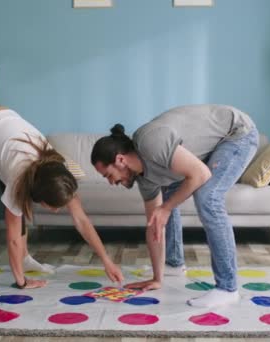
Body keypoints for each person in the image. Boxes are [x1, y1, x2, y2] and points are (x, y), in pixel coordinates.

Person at [0, 104, 124, 303]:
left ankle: (25, 259)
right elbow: (12, 239)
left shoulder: (58, 172)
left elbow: (81, 220)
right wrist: (22, 282)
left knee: (18, 201)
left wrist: (106, 260)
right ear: (39, 195)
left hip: (4, 129)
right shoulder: (20, 177)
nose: (56, 210)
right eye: (53, 206)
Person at [90, 104, 258, 308]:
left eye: (109, 175)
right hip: (208, 150)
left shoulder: (150, 142)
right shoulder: (146, 180)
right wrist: (156, 278)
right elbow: (154, 225)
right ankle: (174, 265)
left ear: (120, 160)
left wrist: (166, 207)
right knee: (168, 196)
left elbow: (201, 174)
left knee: (208, 197)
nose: (110, 182)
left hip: (237, 134)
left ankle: (227, 288)